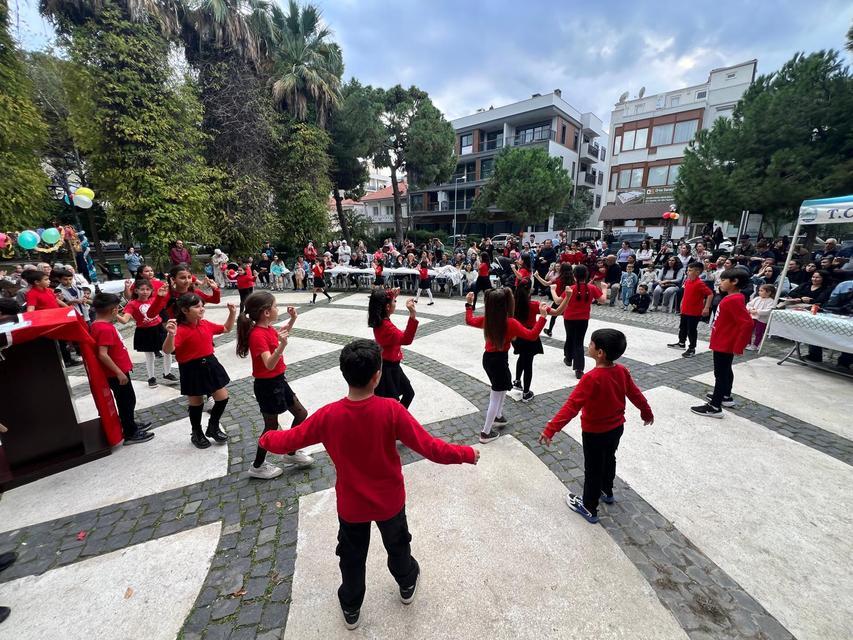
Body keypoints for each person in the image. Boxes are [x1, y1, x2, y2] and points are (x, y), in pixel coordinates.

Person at [258, 339, 479, 630]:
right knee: (398, 545)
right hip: (390, 501)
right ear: (377, 376)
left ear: (344, 374)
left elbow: (288, 440)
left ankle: (351, 606)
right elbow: (430, 447)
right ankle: (406, 582)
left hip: (352, 506)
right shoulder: (391, 410)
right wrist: (466, 453)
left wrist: (265, 438)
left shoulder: (328, 416)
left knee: (351, 557)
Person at [538, 328, 653, 524]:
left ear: (600, 352)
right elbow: (635, 394)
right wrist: (646, 412)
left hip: (594, 433)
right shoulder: (622, 371)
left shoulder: (591, 378)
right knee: (609, 459)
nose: (588, 345)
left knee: (593, 469)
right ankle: (606, 490)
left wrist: (551, 429)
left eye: (591, 343)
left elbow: (571, 406)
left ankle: (589, 507)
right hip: (616, 428)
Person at [236, 291, 313, 479]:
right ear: (266, 312)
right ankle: (257, 466)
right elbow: (269, 364)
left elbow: (282, 333)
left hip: (279, 381)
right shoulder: (257, 335)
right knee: (270, 426)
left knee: (301, 413)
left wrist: (293, 319)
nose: (278, 309)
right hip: (267, 386)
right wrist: (282, 347)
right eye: (275, 306)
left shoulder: (267, 328)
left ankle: (291, 452)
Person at [465, 288, 548, 443]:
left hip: (489, 359)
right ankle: (485, 433)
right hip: (499, 361)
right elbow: (531, 335)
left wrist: (469, 305)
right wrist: (542, 318)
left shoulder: (488, 319)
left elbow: (469, 320)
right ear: (507, 304)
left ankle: (498, 416)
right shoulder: (510, 323)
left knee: (502, 388)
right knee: (495, 396)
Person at [162, 294, 237, 447]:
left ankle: (213, 426)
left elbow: (226, 328)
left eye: (202, 306)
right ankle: (197, 432)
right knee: (196, 403)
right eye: (197, 306)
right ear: (184, 310)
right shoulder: (180, 330)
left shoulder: (205, 324)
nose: (202, 309)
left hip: (210, 363)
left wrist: (232, 313)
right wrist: (171, 334)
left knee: (222, 398)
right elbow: (167, 350)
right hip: (191, 368)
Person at [90, 293, 155, 445]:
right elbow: (102, 354)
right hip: (116, 373)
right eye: (118, 308)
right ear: (113, 310)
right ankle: (130, 432)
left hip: (118, 370)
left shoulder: (97, 325)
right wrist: (119, 372)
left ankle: (130, 423)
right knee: (126, 401)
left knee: (127, 399)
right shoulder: (104, 328)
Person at [691, 269, 753, 418]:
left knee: (720, 374)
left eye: (724, 280)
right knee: (725, 371)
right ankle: (725, 395)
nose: (720, 282)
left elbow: (747, 323)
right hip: (722, 340)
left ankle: (715, 406)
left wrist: (739, 346)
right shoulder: (733, 297)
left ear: (734, 282)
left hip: (725, 343)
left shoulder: (733, 299)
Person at [548, 264, 608, 379]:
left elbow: (558, 301)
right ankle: (579, 369)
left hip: (569, 318)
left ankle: (568, 358)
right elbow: (602, 300)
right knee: (579, 342)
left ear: (574, 276)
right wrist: (604, 289)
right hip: (583, 319)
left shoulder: (571, 288)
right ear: (586, 275)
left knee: (570, 337)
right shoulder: (591, 288)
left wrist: (553, 290)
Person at [116, 279, 175, 387]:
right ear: (136, 290)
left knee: (167, 351)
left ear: (152, 290)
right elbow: (124, 320)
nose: (145, 292)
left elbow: (166, 303)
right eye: (142, 289)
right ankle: (151, 378)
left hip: (158, 328)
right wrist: (115, 314)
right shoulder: (132, 304)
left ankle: (167, 373)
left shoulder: (154, 299)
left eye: (148, 289)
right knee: (149, 355)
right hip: (144, 331)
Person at [368, 288, 419, 408]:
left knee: (408, 393)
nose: (395, 303)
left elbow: (398, 336)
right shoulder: (386, 327)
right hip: (387, 369)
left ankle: (398, 417)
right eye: (394, 301)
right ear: (387, 307)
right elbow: (406, 339)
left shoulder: (381, 320)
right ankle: (396, 418)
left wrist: (392, 295)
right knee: (392, 403)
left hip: (392, 366)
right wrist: (412, 314)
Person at [667, 263, 713, 358]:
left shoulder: (699, 283)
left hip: (694, 311)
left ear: (697, 272)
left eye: (690, 270)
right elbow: (685, 293)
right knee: (682, 327)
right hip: (685, 309)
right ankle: (681, 342)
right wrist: (682, 303)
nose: (688, 272)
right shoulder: (687, 281)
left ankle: (692, 348)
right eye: (688, 270)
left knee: (691, 330)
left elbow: (710, 294)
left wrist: (706, 307)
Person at [511, 281, 543, 403]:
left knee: (522, 357)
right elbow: (556, 311)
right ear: (529, 290)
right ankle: (526, 393)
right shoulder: (534, 305)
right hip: (530, 336)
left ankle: (517, 381)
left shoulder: (513, 304)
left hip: (518, 335)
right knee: (528, 363)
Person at [535, 263, 573, 338]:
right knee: (568, 318)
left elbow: (546, 283)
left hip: (559, 300)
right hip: (569, 301)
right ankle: (570, 334)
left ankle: (549, 330)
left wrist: (537, 276)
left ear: (561, 270)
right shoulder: (573, 280)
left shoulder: (558, 280)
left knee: (554, 315)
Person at [745, 284, 776, 351]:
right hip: (753, 318)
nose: (759, 292)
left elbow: (768, 311)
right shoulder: (757, 298)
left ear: (768, 292)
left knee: (759, 332)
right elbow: (749, 304)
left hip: (762, 320)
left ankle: (755, 345)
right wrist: (750, 309)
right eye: (759, 290)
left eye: (761, 291)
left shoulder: (771, 301)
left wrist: (757, 311)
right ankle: (748, 343)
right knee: (749, 330)